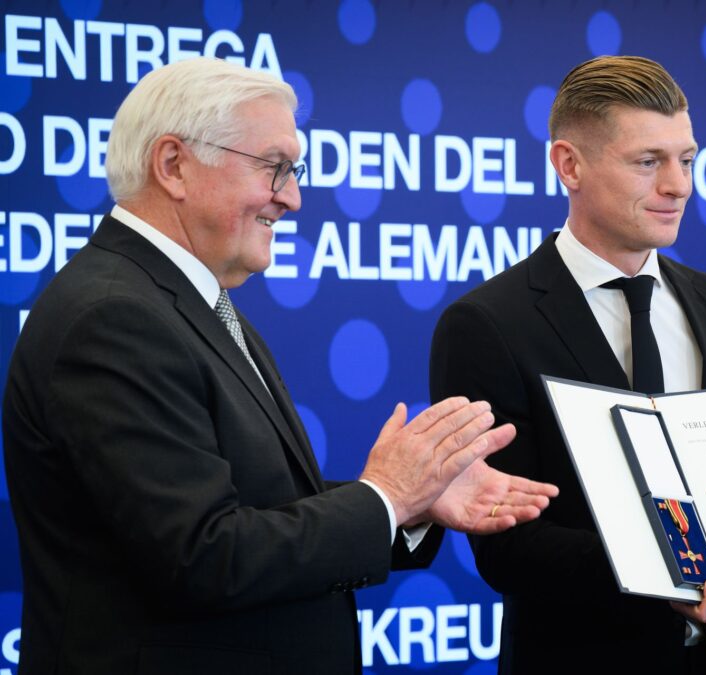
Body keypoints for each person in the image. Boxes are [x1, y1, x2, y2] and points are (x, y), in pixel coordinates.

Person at [2, 57, 557, 674]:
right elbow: (205, 557)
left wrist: (414, 502)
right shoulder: (114, 318)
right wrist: (385, 498)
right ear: (173, 165)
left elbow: (253, 512)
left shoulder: (184, 303)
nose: (292, 198)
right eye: (274, 167)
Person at [430, 55, 706, 674]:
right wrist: (669, 575)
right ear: (568, 165)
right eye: (648, 162)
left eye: (686, 159)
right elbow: (509, 547)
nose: (679, 185)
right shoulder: (487, 324)